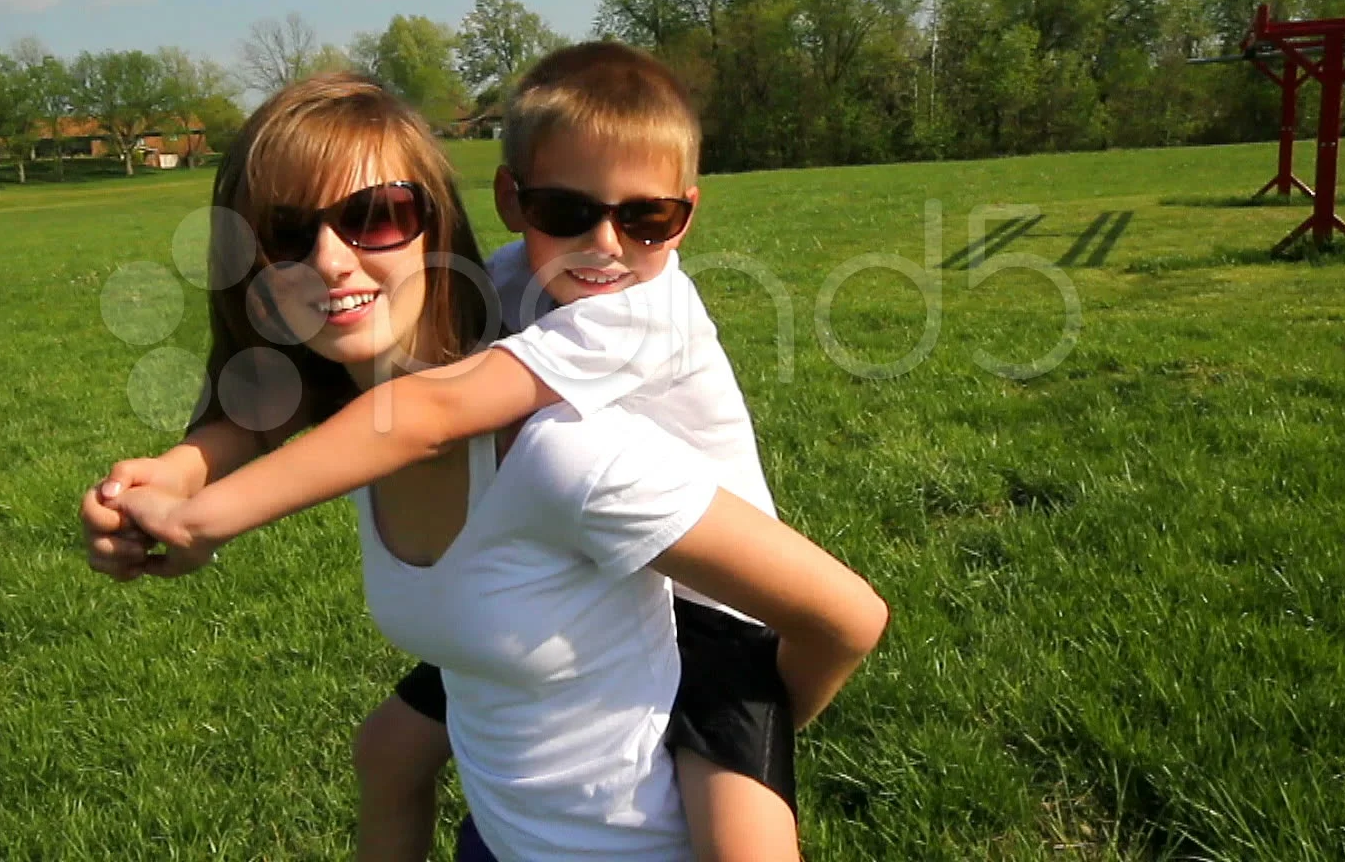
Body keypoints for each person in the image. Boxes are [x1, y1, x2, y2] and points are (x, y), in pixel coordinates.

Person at [82, 70, 887, 860]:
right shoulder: (500, 289)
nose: (330, 261)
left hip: (721, 622)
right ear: (512, 204)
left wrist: (206, 518)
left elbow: (424, 416)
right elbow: (292, 396)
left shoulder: (601, 373)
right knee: (388, 750)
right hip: (528, 780)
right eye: (285, 233)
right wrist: (184, 467)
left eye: (376, 215)